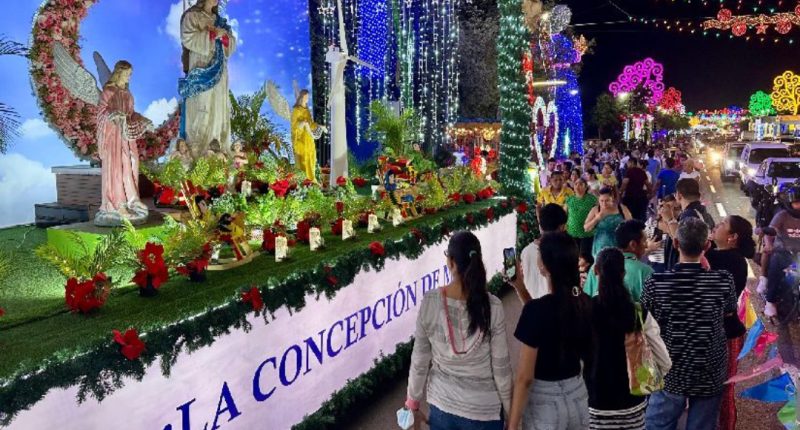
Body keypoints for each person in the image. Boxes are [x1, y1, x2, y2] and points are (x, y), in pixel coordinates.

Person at [405, 231, 512, 430]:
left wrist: (412, 403)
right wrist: (511, 412)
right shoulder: (492, 306)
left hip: (443, 408)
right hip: (484, 411)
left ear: (451, 263)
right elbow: (501, 368)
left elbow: (420, 360)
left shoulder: (431, 301)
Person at [642, 218, 737, 430]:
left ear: (675, 244)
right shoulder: (723, 280)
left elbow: (646, 320)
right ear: (707, 246)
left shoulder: (656, 283)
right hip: (710, 369)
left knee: (658, 424)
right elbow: (729, 311)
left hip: (670, 369)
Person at [508, 233, 592, 430]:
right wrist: (520, 289)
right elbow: (551, 317)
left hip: (544, 403)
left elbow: (524, 378)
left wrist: (512, 424)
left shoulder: (537, 310)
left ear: (544, 266)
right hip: (579, 395)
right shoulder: (583, 302)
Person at [587, 248, 668, 430]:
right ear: (623, 273)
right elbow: (665, 361)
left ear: (595, 271)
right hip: (632, 404)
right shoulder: (638, 312)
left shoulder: (585, 310)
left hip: (594, 403)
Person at [705, 215, 756, 430]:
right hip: (721, 331)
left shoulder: (730, 260)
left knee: (723, 388)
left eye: (723, 224)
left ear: (732, 237)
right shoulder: (719, 256)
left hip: (726, 333)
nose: (716, 225)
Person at [94, 60, 152, 227]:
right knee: (117, 168)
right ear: (119, 73)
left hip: (126, 137)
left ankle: (131, 200)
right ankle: (117, 204)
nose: (129, 77)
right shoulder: (109, 91)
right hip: (113, 137)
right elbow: (102, 112)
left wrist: (143, 120)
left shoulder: (127, 94)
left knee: (131, 164)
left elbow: (131, 114)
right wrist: (113, 115)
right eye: (127, 74)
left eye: (130, 74)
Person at [180, 0, 236, 158]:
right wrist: (211, 34)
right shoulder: (192, 16)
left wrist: (224, 37)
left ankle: (219, 149)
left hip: (220, 70)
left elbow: (231, 44)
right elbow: (188, 38)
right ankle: (198, 153)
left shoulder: (221, 22)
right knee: (202, 106)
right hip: (201, 65)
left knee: (218, 107)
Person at [584, 220, 654, 302]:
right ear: (633, 245)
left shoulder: (598, 266)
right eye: (644, 241)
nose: (646, 245)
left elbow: (586, 299)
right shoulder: (646, 272)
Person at [513, 204, 568, 303]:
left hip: (530, 301)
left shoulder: (526, 251)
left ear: (540, 225)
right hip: (553, 306)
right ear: (562, 227)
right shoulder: (562, 250)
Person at [760, 186, 800, 317]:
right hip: (783, 252)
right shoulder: (782, 215)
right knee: (776, 266)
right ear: (789, 202)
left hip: (798, 255)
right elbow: (770, 231)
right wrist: (769, 244)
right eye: (796, 202)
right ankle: (770, 301)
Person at [584, 187, 632, 259]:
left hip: (619, 246)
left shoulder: (621, 208)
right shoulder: (596, 209)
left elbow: (631, 226)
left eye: (607, 200)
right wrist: (597, 219)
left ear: (612, 198)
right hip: (600, 247)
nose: (604, 203)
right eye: (601, 201)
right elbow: (586, 228)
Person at [292, 89, 326, 183]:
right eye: (306, 96)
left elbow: (311, 124)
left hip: (309, 138)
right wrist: (303, 123)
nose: (307, 98)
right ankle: (304, 181)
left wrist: (320, 126)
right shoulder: (296, 110)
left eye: (308, 96)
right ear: (302, 97)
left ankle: (312, 179)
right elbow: (294, 125)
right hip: (301, 139)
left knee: (312, 158)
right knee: (303, 159)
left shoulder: (307, 110)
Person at [566, 178, 598, 255]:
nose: (577, 186)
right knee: (574, 256)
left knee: (585, 258)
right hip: (572, 233)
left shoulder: (592, 199)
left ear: (586, 187)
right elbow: (565, 214)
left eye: (581, 184)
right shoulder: (569, 199)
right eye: (576, 184)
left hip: (587, 234)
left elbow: (597, 214)